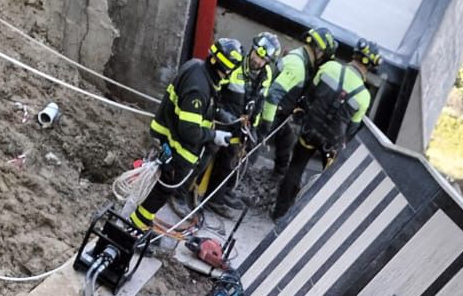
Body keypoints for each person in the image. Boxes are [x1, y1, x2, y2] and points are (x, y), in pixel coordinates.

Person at [130, 38, 243, 234]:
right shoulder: (199, 88)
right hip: (177, 145)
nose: (229, 75)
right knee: (164, 187)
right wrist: (214, 135)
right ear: (222, 66)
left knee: (160, 186)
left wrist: (228, 119)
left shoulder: (199, 69)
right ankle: (136, 225)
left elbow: (206, 109)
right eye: (229, 71)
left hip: (169, 135)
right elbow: (189, 130)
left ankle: (140, 220)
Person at [272, 38, 377, 222]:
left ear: (354, 55)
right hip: (332, 143)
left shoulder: (330, 67)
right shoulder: (364, 96)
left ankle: (279, 214)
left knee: (296, 167)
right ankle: (308, 220)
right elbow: (351, 130)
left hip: (309, 130)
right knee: (326, 181)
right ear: (370, 67)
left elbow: (309, 94)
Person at [206, 31, 282, 219]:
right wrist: (223, 115)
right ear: (253, 49)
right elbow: (216, 91)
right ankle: (199, 196)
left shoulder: (266, 74)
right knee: (213, 156)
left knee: (236, 159)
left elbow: (259, 102)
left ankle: (219, 195)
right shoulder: (236, 64)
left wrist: (255, 128)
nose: (258, 61)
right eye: (257, 55)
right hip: (222, 119)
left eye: (263, 59)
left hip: (242, 125)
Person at [258, 25, 336, 178]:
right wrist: (265, 126)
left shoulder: (299, 57)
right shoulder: (298, 67)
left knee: (286, 140)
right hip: (269, 113)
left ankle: (277, 177)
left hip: (278, 114)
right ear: (319, 51)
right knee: (251, 151)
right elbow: (273, 95)